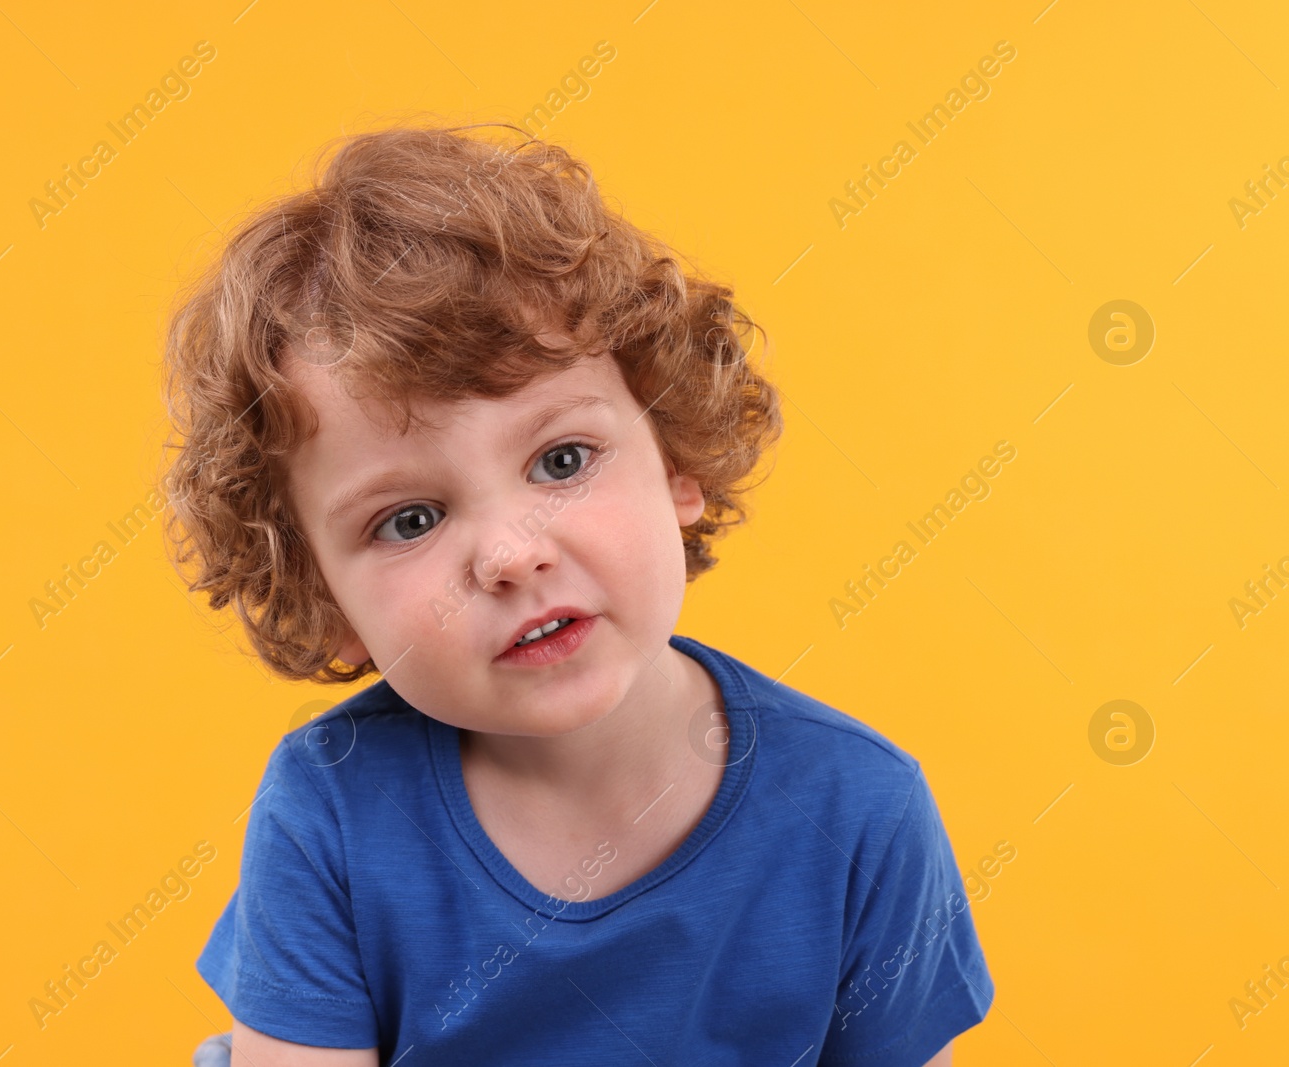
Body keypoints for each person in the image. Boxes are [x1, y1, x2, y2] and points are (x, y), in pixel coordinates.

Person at [158, 122, 993, 1066]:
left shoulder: (858, 810)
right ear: (329, 606)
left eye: (562, 459)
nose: (510, 556)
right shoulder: (334, 808)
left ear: (677, 458)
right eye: (410, 520)